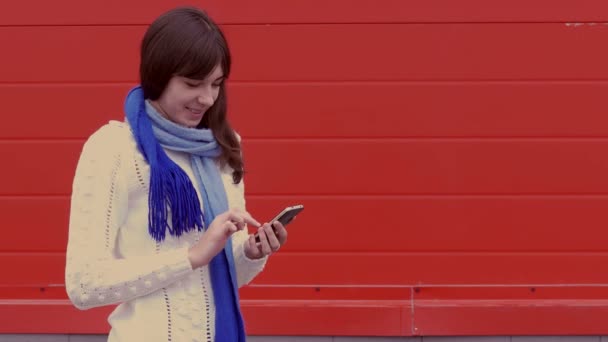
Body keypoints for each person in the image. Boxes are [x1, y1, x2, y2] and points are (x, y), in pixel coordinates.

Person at [64, 6, 287, 342]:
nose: (207, 98)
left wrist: (250, 253)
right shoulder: (114, 149)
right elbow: (83, 285)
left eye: (216, 84)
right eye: (193, 83)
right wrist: (191, 256)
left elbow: (222, 277)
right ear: (158, 74)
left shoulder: (224, 146)